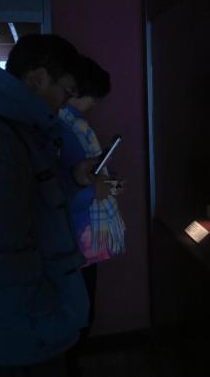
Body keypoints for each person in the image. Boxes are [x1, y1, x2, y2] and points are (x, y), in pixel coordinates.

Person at [0, 34, 96, 376]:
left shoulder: (10, 129)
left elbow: (30, 206)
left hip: (12, 330)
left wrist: (72, 180)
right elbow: (1, 248)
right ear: (38, 78)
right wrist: (47, 313)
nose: (65, 103)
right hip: (8, 340)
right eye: (65, 91)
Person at [58, 56, 125, 342]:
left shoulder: (72, 125)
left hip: (80, 235)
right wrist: (93, 189)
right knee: (78, 317)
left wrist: (100, 183)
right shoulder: (65, 127)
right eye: (94, 98)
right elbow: (63, 189)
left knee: (81, 314)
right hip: (76, 236)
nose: (95, 104)